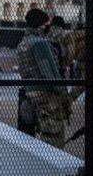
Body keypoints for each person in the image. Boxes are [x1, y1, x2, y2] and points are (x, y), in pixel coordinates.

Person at [17, 8, 70, 149]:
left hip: (29, 93)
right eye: (47, 22)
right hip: (46, 97)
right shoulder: (40, 43)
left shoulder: (23, 43)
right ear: (40, 24)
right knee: (54, 140)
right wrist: (62, 92)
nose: (48, 26)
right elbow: (49, 73)